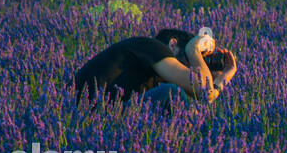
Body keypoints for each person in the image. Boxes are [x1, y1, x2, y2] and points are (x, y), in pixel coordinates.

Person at [74, 29, 237, 110]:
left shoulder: (152, 76)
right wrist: (193, 48)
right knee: (171, 93)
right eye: (188, 61)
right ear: (173, 45)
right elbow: (202, 87)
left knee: (184, 103)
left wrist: (223, 76)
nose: (190, 67)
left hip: (102, 120)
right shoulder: (152, 46)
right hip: (87, 116)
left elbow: (205, 97)